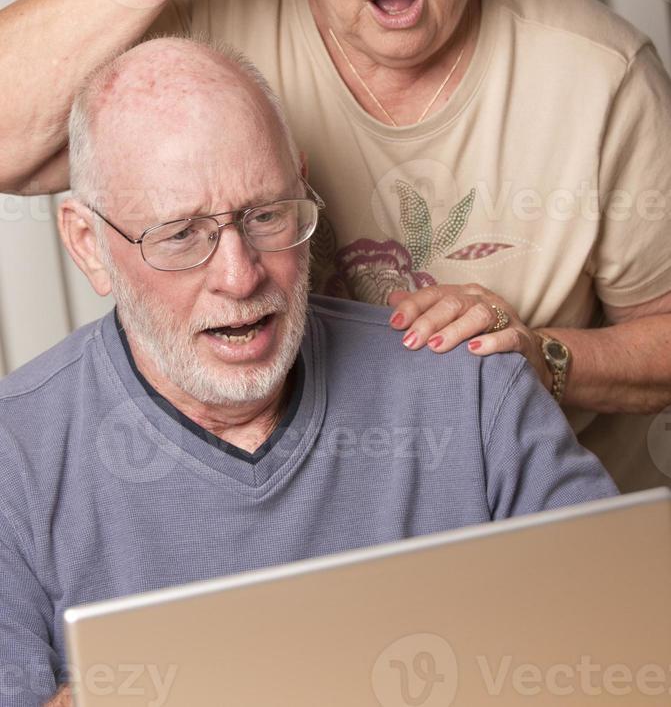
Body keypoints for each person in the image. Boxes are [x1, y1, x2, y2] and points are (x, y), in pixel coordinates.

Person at [0, 0, 669, 491]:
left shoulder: (601, 79)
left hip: (528, 517)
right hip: (301, 519)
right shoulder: (211, 30)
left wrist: (541, 358)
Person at [0, 37, 615, 707]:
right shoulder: (15, 457)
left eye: (265, 215)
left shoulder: (469, 385)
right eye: (180, 235)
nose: (239, 277)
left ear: (300, 185)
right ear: (89, 246)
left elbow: (623, 648)